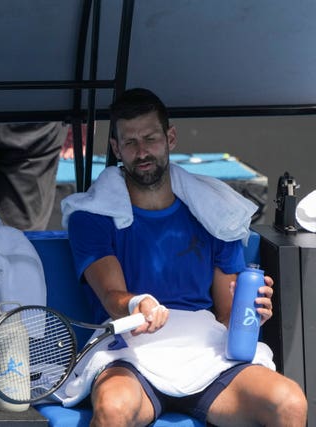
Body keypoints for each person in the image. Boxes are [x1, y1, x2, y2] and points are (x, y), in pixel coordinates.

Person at [65, 88, 307, 426]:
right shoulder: (89, 217)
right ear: (117, 149)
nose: (142, 151)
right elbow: (111, 295)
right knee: (113, 409)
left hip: (206, 352)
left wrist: (251, 314)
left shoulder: (215, 213)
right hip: (128, 354)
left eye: (150, 138)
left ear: (170, 138)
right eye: (130, 143)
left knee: (290, 403)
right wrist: (138, 305)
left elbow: (227, 315)